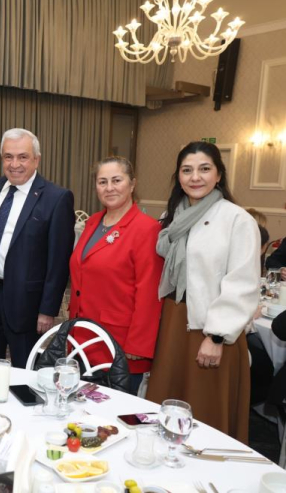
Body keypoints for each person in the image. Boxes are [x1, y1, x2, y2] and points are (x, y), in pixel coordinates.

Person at [147, 141, 259, 443]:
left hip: (211, 330)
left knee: (206, 413)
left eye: (204, 169)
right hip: (174, 322)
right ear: (178, 177)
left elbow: (243, 283)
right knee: (167, 406)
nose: (195, 177)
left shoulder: (237, 220)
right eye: (187, 170)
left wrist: (216, 336)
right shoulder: (173, 217)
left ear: (219, 175)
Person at [0, 128, 75, 368]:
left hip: (27, 302)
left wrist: (48, 310)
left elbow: (59, 261)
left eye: (23, 157)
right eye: (8, 157)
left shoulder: (56, 198)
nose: (14, 164)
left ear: (36, 160)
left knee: (24, 370)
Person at [68, 156, 164, 394]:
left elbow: (149, 293)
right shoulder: (93, 222)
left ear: (132, 184)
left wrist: (138, 345)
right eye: (102, 182)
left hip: (119, 345)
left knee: (114, 412)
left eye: (116, 180)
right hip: (83, 337)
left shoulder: (146, 229)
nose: (109, 188)